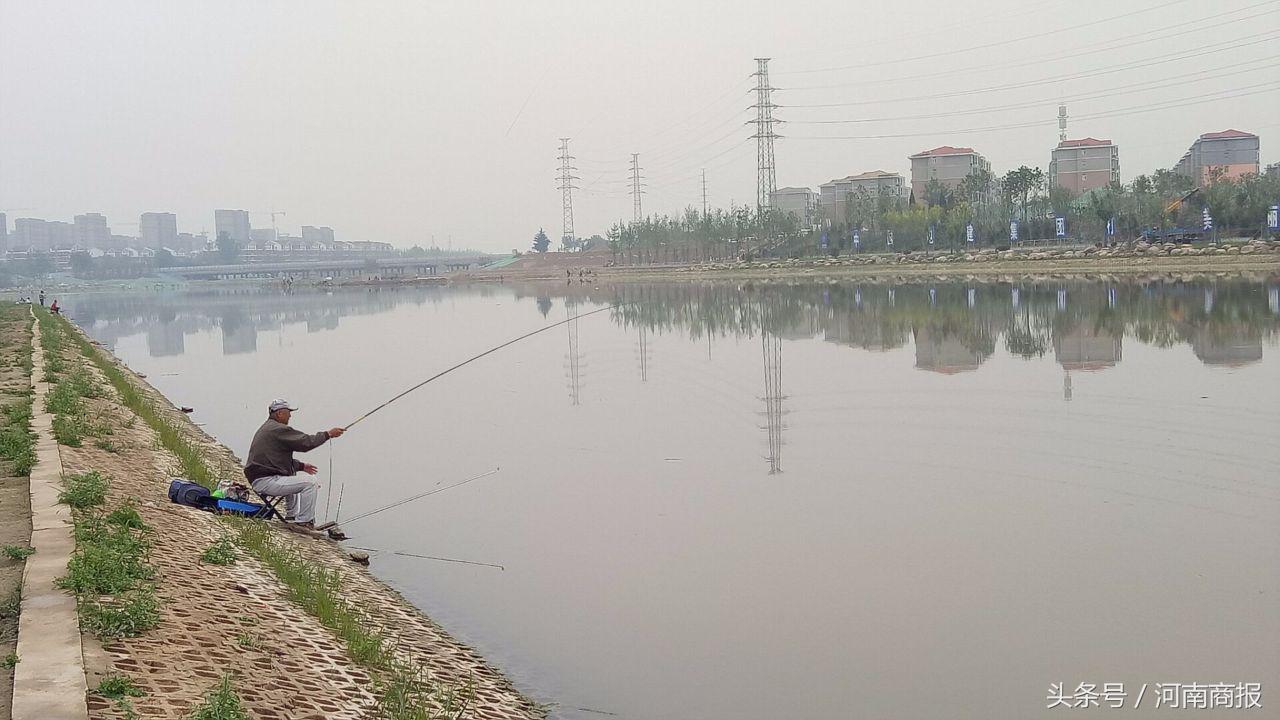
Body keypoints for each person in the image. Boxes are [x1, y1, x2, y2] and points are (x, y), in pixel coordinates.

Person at [243, 399, 345, 530]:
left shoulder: (268, 428)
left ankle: (291, 516)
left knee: (293, 474)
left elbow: (274, 458)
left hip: (261, 478)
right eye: (288, 412)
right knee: (310, 482)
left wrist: (301, 466)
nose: (290, 415)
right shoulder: (278, 429)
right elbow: (306, 442)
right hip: (265, 481)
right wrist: (328, 434)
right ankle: (304, 522)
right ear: (280, 413)